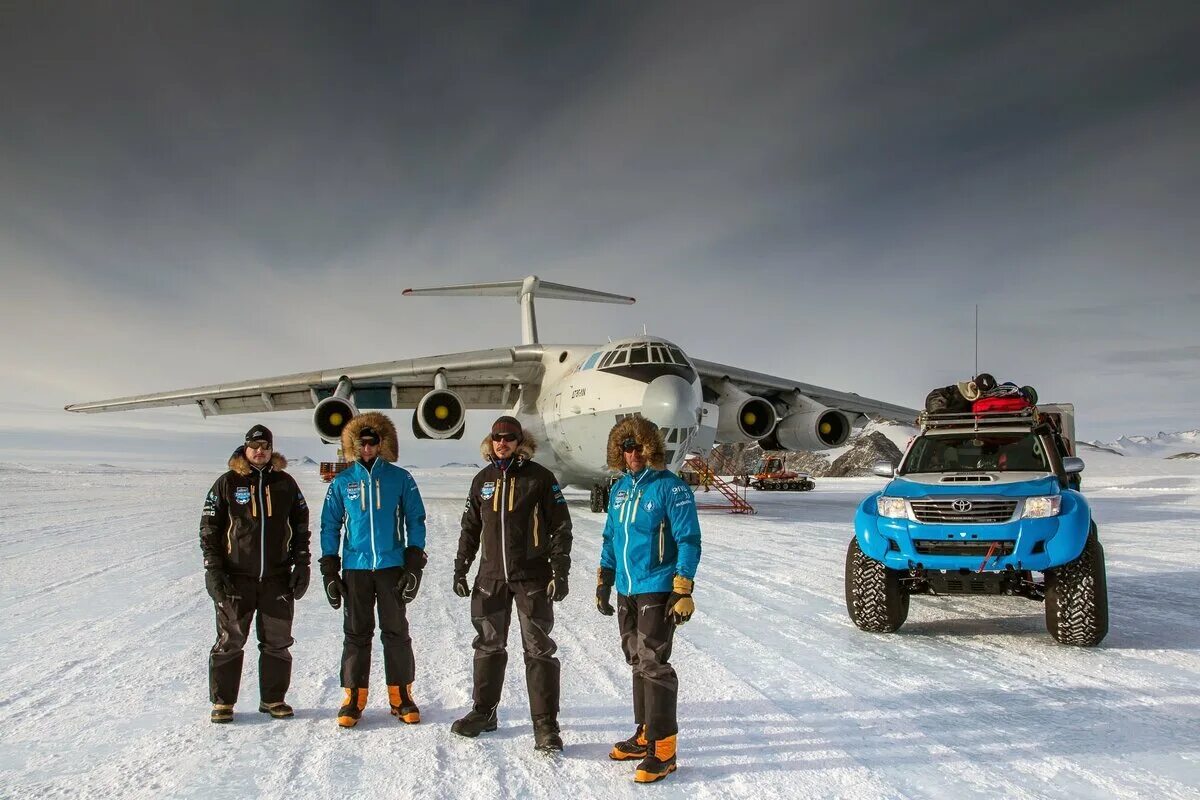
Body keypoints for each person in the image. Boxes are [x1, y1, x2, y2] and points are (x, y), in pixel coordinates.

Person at [450, 416, 573, 752]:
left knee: (539, 649)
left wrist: (559, 571)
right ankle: (483, 712)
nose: (502, 443)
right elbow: (470, 528)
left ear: (520, 442)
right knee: (488, 645)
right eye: (497, 438)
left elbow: (561, 527)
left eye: (509, 438)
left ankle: (546, 724)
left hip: (531, 577)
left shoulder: (540, 479)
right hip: (490, 579)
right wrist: (461, 567)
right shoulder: (482, 481)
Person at [596, 416, 701, 783]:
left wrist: (683, 587)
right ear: (619, 452)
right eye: (626, 447)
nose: (633, 454)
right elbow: (611, 537)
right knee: (637, 660)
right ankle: (644, 736)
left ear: (651, 448)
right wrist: (605, 578)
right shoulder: (620, 489)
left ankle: (664, 749)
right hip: (627, 587)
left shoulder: (671, 488)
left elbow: (689, 539)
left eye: (639, 446)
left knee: (654, 662)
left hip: (657, 586)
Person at [319, 412, 428, 728]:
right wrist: (329, 568)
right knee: (356, 633)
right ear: (355, 446)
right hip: (356, 569)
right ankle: (353, 698)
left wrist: (414, 563)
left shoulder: (400, 478)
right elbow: (330, 525)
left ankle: (401, 696)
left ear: (382, 444)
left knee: (396, 632)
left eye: (373, 442)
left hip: (391, 567)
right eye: (362, 443)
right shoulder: (343, 482)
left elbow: (415, 519)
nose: (367, 448)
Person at [200, 424, 310, 724]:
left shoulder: (286, 484)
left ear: (271, 450)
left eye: (265, 446)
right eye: (254, 446)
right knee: (230, 639)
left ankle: (273, 699)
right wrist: (213, 568)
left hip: (276, 577)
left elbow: (301, 525)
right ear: (245, 449)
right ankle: (223, 703)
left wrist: (302, 563)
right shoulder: (227, 483)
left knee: (277, 640)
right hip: (236, 577)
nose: (260, 451)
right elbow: (209, 529)